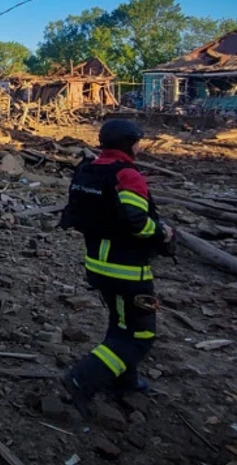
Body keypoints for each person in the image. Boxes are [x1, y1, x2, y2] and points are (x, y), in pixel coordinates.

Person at [58, 119, 173, 417]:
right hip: (127, 270)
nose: (139, 148)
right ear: (128, 144)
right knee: (139, 335)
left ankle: (125, 381)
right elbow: (136, 223)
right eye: (137, 143)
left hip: (97, 265)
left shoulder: (90, 170)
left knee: (120, 324)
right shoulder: (127, 175)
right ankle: (81, 380)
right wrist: (162, 231)